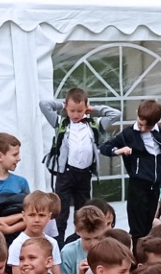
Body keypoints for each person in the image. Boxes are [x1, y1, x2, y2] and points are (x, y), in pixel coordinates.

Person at [40, 87, 123, 236]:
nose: (76, 114)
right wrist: (62, 105)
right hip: (65, 173)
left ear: (86, 107)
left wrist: (94, 109)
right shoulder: (61, 122)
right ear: (67, 108)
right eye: (72, 111)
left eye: (80, 111)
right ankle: (59, 243)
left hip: (84, 173)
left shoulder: (94, 124)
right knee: (61, 212)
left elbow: (116, 114)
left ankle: (80, 239)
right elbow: (44, 105)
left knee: (84, 212)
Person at [105, 100, 161, 241]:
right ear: (137, 114)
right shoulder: (128, 134)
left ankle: (148, 257)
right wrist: (118, 151)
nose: (142, 129)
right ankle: (137, 257)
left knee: (149, 226)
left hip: (154, 187)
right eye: (141, 124)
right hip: (138, 186)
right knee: (137, 229)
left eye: (147, 126)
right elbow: (105, 147)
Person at [6, 189, 64, 270]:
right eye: (32, 215)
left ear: (49, 216)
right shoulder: (17, 244)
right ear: (24, 216)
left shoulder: (53, 243)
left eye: (41, 215)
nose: (37, 220)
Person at [58, 203, 111, 274]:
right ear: (77, 231)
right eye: (87, 239)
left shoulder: (111, 249)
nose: (93, 243)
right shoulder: (68, 252)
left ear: (104, 229)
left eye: (97, 238)